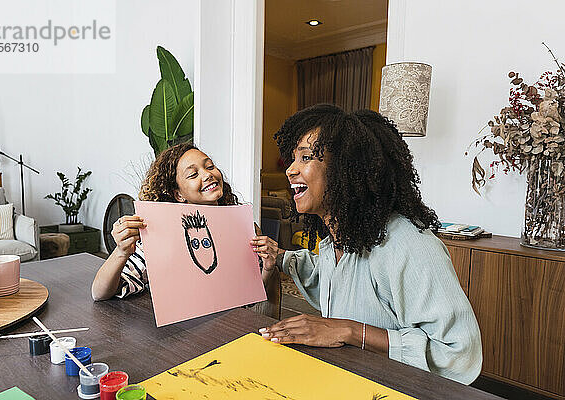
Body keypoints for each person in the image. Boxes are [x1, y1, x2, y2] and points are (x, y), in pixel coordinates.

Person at [251, 104, 482, 385]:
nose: (290, 170)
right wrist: (281, 256)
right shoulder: (338, 240)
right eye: (292, 158)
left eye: (306, 157)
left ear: (346, 168)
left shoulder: (408, 244)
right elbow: (328, 277)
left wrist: (348, 331)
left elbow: (459, 352)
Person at [91, 143, 239, 301]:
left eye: (210, 166)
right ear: (179, 194)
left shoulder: (240, 228)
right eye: (193, 174)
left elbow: (249, 292)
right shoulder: (159, 238)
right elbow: (99, 293)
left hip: (230, 321)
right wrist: (121, 251)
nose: (208, 174)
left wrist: (268, 268)